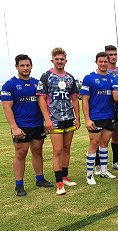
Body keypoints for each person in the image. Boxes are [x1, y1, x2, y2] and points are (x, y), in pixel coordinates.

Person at [1, 54, 53, 196]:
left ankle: (40, 178)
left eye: (27, 65)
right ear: (17, 67)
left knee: (37, 151)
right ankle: (19, 185)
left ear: (31, 66)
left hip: (37, 125)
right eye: (22, 65)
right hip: (21, 126)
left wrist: (45, 121)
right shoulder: (10, 84)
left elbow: (43, 104)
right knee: (21, 154)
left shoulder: (37, 83)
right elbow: (7, 107)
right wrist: (14, 127)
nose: (25, 68)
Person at [37, 47, 80, 195]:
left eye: (62, 59)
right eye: (57, 59)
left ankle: (65, 176)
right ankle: (59, 183)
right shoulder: (46, 76)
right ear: (52, 60)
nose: (60, 61)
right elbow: (41, 98)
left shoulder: (70, 78)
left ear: (65, 61)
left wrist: (78, 117)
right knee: (58, 150)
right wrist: (47, 119)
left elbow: (74, 97)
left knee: (67, 148)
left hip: (69, 118)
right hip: (54, 119)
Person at [81, 52, 116, 185]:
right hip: (96, 117)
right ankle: (89, 175)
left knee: (105, 144)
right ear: (96, 62)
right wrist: (87, 119)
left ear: (108, 62)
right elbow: (85, 100)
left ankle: (104, 170)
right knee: (94, 144)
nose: (103, 64)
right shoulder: (89, 78)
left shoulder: (112, 78)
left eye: (105, 61)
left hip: (109, 116)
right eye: (100, 61)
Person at [104, 45, 118, 172]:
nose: (113, 57)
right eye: (110, 55)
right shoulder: (102, 71)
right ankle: (98, 165)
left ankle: (115, 161)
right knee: (102, 139)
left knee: (116, 136)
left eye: (115, 54)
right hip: (105, 109)